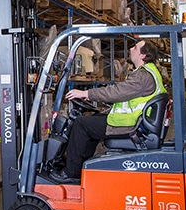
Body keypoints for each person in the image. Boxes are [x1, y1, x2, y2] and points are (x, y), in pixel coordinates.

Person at [50, 40, 167, 183]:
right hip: (136, 122)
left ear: (143, 56)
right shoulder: (148, 72)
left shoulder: (143, 76)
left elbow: (117, 92)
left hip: (130, 125)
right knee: (92, 120)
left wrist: (87, 93)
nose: (131, 49)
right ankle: (81, 167)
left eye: (135, 47)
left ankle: (71, 173)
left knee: (81, 124)